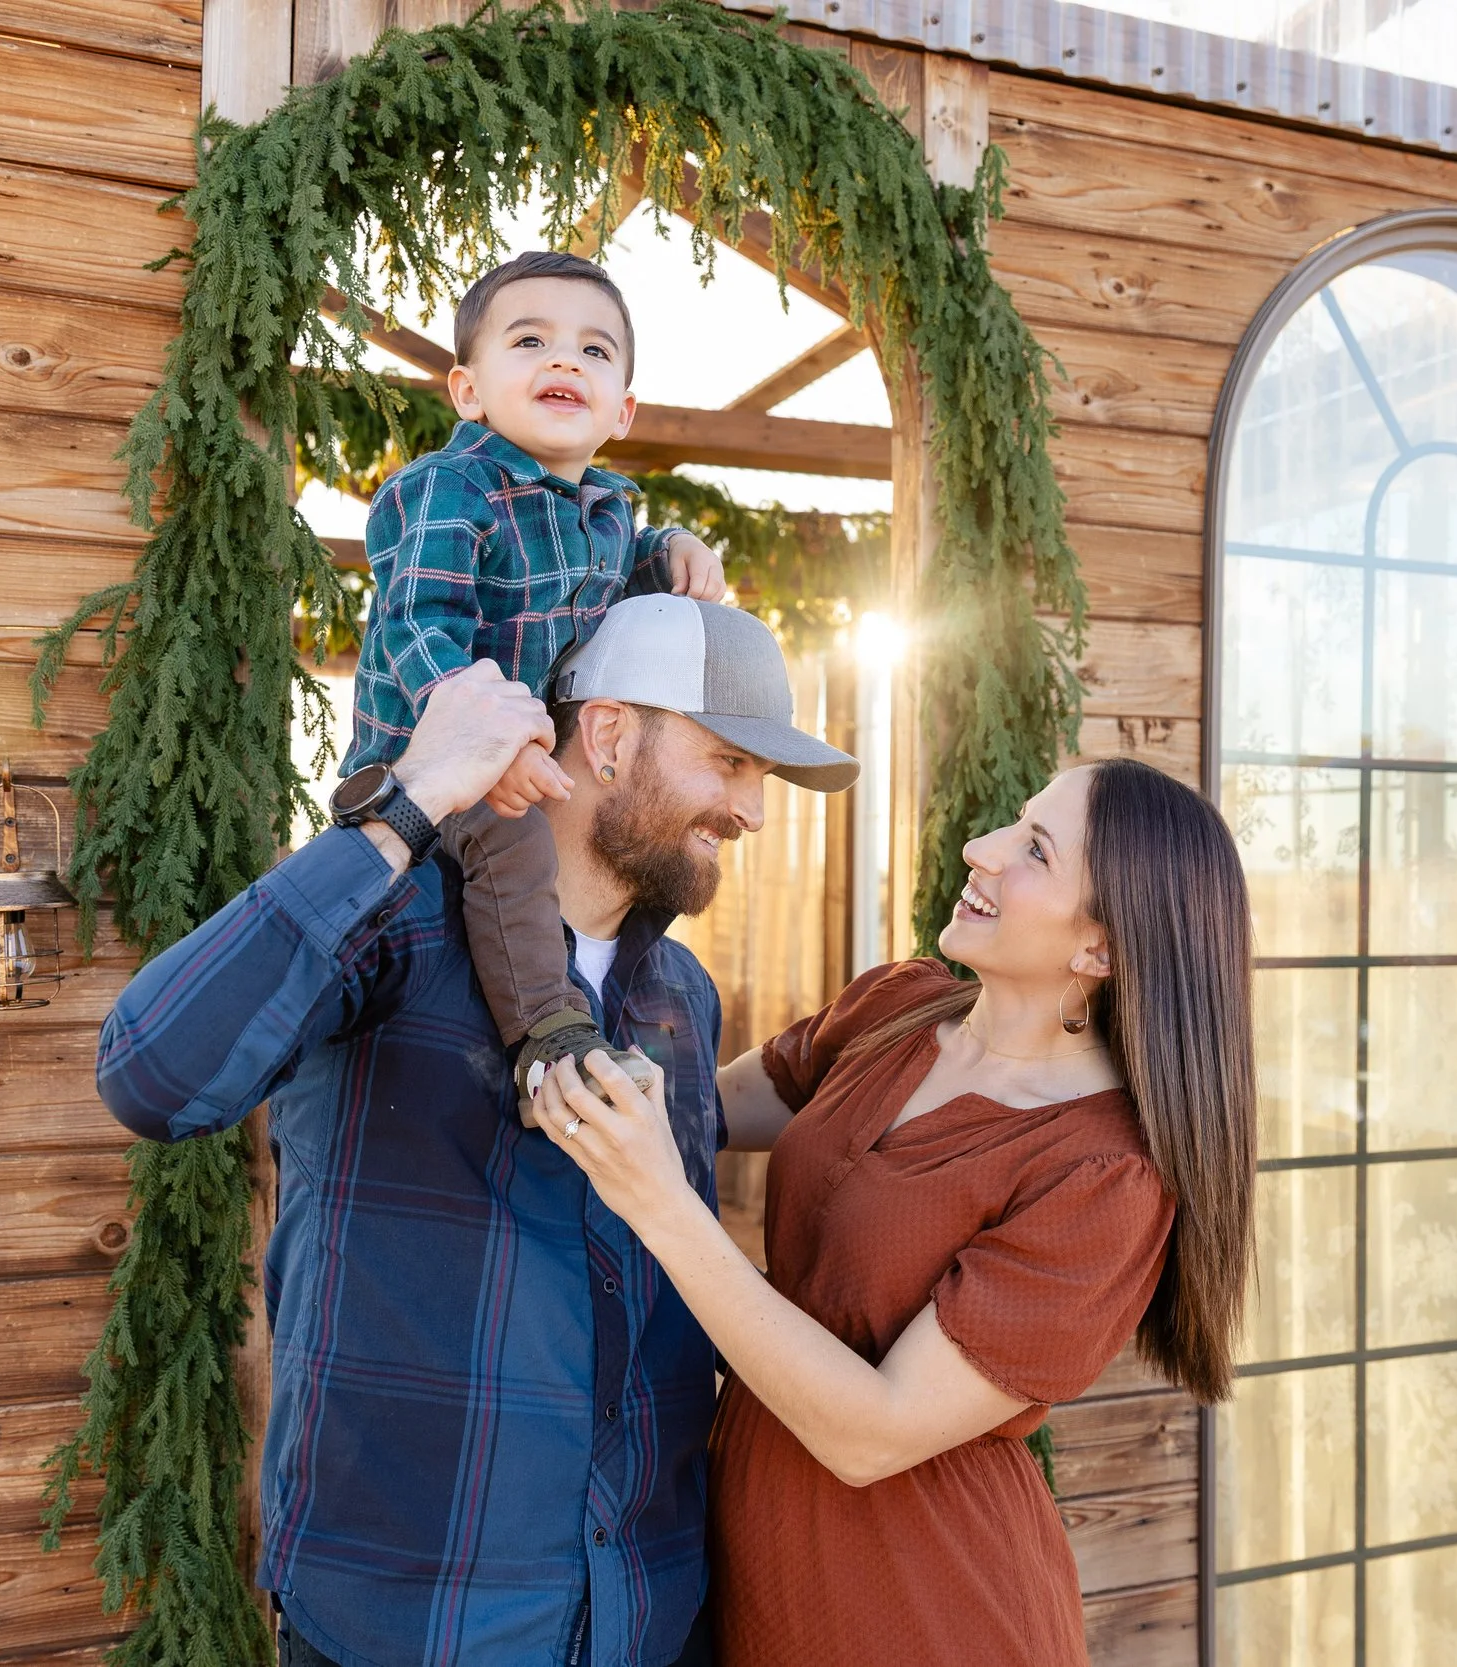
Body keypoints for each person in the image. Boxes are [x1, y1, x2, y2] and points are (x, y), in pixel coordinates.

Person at [93, 595, 856, 1667]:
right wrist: (409, 802)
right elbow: (151, 1075)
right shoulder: (394, 923)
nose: (752, 810)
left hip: (646, 1615)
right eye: (728, 761)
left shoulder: (680, 993)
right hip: (412, 1618)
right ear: (607, 734)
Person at [535, 758, 1258, 1666]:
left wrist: (659, 1203)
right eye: (1013, 821)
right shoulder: (900, 1006)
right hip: (759, 1568)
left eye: (1032, 848)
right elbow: (696, 1111)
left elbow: (871, 1431)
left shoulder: (1107, 1174)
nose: (978, 849)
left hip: (930, 1606)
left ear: (1100, 950)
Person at [344, 247, 730, 1107]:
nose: (564, 360)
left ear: (622, 408)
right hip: (426, 757)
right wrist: (478, 747)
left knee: (617, 833)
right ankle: (548, 1037)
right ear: (469, 391)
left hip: (526, 755)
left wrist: (669, 553)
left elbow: (620, 587)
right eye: (529, 341)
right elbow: (417, 627)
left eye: (595, 351)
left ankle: (612, 984)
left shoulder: (604, 513)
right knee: (516, 845)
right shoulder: (451, 489)